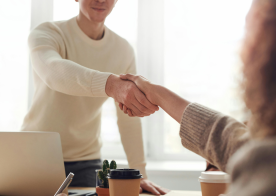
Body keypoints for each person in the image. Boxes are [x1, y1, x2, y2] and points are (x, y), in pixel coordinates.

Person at [119, 0, 276, 195]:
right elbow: (231, 140)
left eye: (250, 35)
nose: (242, 51)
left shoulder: (264, 169)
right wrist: (157, 93)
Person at [21, 0, 168, 195]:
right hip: (34, 156)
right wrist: (110, 85)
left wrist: (139, 173)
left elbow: (128, 118)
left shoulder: (123, 50)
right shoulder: (47, 33)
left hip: (86, 162)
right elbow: (53, 72)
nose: (101, 0)